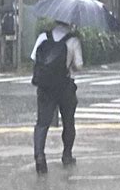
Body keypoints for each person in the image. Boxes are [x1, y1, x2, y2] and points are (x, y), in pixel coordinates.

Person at [30, 21, 83, 174]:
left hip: (45, 87)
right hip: (64, 86)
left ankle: (39, 157)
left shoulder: (43, 37)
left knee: (42, 123)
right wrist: (69, 64)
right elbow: (78, 65)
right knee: (68, 121)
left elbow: (35, 58)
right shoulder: (73, 41)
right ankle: (67, 155)